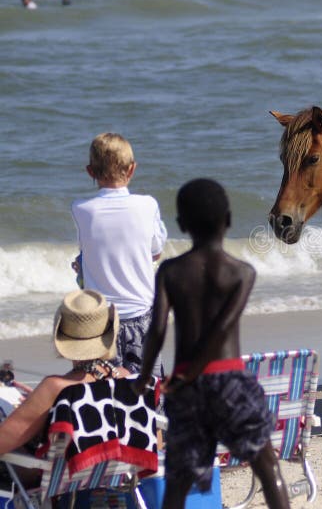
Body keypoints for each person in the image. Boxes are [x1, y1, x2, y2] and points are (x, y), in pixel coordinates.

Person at [134, 179, 290, 509]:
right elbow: (222, 327)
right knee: (267, 467)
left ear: (180, 225)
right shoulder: (241, 273)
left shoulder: (170, 272)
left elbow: (157, 331)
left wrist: (143, 378)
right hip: (229, 381)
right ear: (228, 220)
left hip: (186, 389)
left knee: (178, 481)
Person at [0, 290, 129, 477]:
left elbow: (3, 441)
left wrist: (38, 403)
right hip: (110, 481)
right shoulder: (127, 379)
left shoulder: (54, 388)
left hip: (52, 485)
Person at [71, 133, 167, 376]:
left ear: (90, 171)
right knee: (147, 392)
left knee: (103, 392)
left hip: (100, 321)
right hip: (141, 316)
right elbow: (155, 253)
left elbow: (88, 248)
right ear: (132, 169)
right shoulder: (148, 205)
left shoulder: (81, 209)